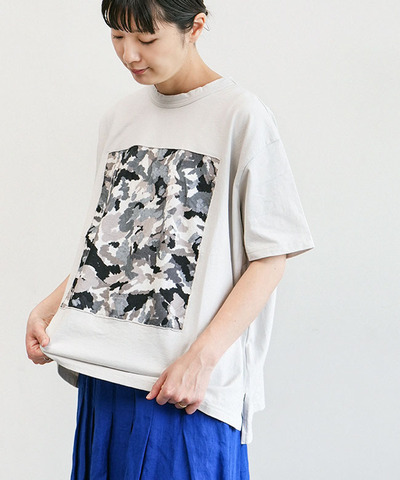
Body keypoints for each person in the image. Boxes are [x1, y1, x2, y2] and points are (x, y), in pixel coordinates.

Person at [26, 0, 315, 478]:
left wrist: (201, 359)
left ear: (195, 27)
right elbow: (115, 249)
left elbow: (271, 257)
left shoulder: (241, 116)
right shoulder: (120, 118)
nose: (130, 54)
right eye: (118, 36)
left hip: (185, 388)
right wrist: (50, 307)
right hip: (106, 375)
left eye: (146, 38)